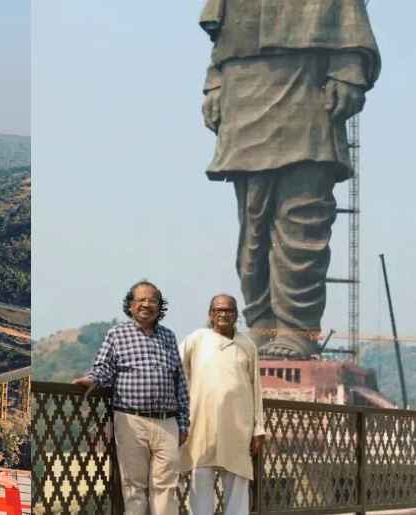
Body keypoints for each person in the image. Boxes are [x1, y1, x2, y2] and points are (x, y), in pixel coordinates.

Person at [199, 0, 380, 358]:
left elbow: (347, 13)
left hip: (306, 82)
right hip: (243, 83)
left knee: (302, 220)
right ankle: (262, 328)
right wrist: (215, 83)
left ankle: (296, 331)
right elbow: (223, 28)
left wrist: (348, 67)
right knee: (252, 229)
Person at [73, 281, 190, 515]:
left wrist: (184, 423)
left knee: (166, 487)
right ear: (131, 305)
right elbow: (104, 367)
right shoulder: (117, 334)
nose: (147, 304)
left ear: (160, 306)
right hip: (131, 419)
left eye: (152, 300)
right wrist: (92, 379)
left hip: (167, 422)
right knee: (134, 487)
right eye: (141, 300)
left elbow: (180, 382)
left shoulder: (168, 336)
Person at [180, 294, 265, 515]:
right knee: (201, 478)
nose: (223, 314)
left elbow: (256, 388)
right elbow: (175, 369)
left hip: (237, 425)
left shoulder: (247, 345)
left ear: (236, 315)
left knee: (237, 482)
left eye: (228, 310)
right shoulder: (196, 339)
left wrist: (259, 428)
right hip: (201, 423)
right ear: (210, 314)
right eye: (218, 310)